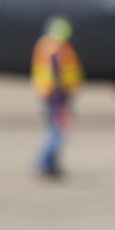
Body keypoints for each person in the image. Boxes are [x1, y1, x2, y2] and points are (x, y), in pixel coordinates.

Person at [30, 15, 84, 178]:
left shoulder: (46, 43)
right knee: (59, 128)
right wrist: (61, 90)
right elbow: (56, 70)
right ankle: (44, 163)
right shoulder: (56, 45)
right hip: (56, 93)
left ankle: (51, 165)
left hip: (49, 91)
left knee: (55, 127)